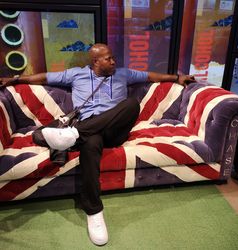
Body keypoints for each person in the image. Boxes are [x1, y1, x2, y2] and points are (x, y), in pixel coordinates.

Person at [0, 43, 195, 246]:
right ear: (95, 62)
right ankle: (94, 210)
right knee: (91, 143)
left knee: (131, 104)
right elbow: (44, 77)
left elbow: (151, 76)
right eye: (108, 58)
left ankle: (73, 135)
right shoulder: (76, 75)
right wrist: (15, 80)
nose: (113, 61)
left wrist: (177, 78)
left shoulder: (123, 74)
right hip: (90, 131)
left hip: (115, 131)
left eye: (112, 58)